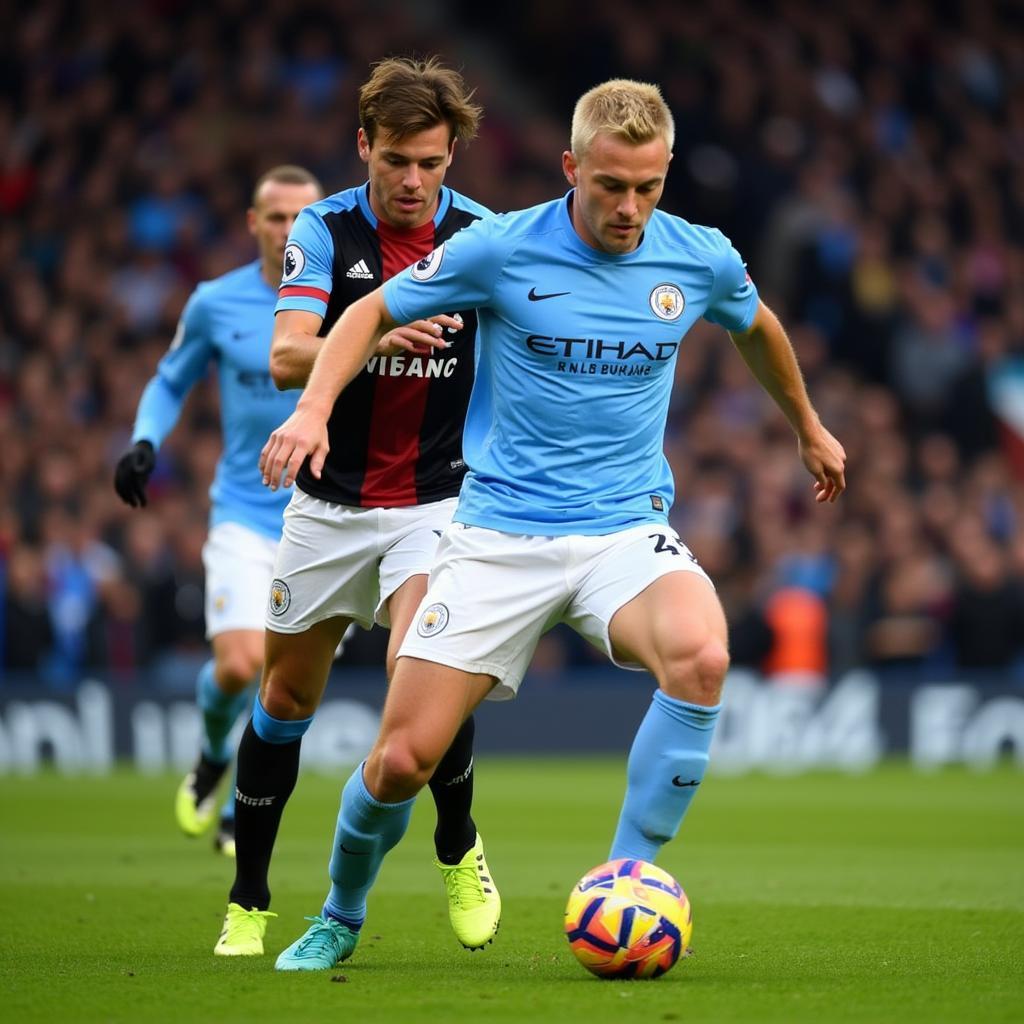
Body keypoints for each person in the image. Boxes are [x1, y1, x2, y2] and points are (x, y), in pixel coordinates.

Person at [261, 77, 848, 972]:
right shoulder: (498, 248)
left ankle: (627, 877)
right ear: (572, 167)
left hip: (622, 530)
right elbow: (373, 311)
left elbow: (756, 326)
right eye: (610, 185)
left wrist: (807, 425)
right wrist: (311, 410)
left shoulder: (699, 257)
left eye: (648, 187)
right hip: (497, 536)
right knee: (401, 762)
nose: (629, 207)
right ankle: (341, 912)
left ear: (667, 173)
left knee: (703, 656)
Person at [213, 56, 502, 961]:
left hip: (437, 501)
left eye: (431, 163)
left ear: (451, 157)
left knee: (424, 683)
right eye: (396, 162)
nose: (413, 182)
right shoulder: (324, 229)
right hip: (329, 508)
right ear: (364, 147)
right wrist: (375, 332)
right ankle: (249, 898)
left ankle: (457, 845)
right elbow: (289, 354)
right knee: (284, 695)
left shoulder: (486, 237)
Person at [115, 165, 324, 856]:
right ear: (252, 224)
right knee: (242, 666)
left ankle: (239, 799)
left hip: (327, 519)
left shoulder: (353, 304)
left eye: (303, 217)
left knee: (283, 680)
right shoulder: (216, 302)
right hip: (243, 510)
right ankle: (212, 758)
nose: (290, 230)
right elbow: (169, 379)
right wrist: (144, 441)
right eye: (276, 217)